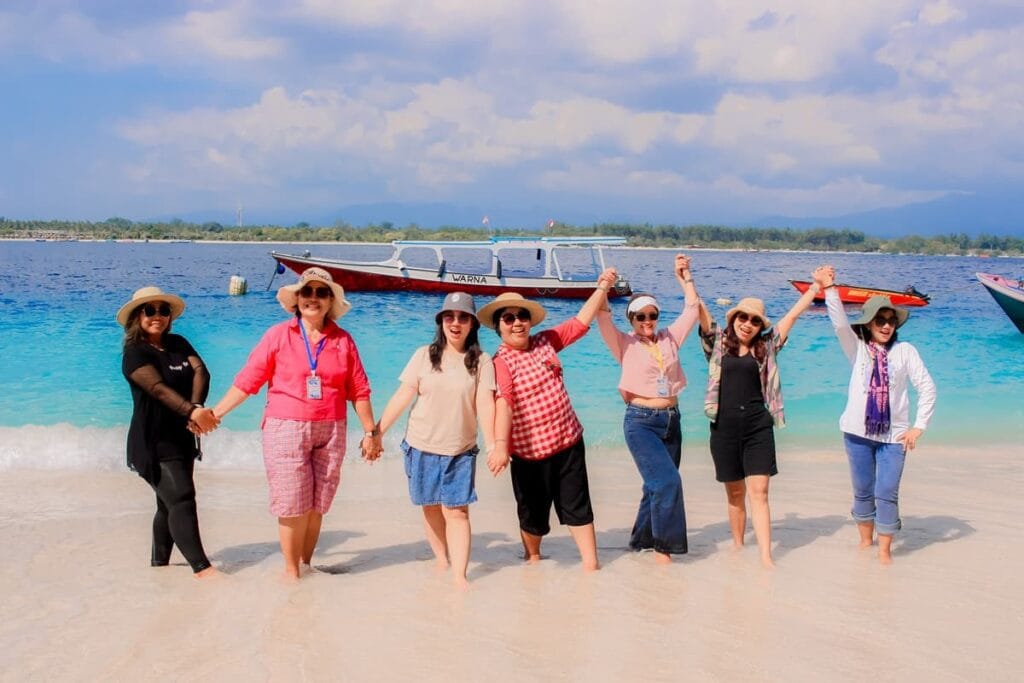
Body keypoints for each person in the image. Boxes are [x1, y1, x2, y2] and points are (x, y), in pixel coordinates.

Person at [208, 267, 381, 580]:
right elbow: (248, 380)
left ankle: (305, 565)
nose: (313, 298)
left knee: (318, 503)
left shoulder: (343, 340)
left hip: (332, 428)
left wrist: (371, 432)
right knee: (292, 502)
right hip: (285, 427)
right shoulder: (278, 335)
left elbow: (359, 389)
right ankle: (291, 574)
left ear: (330, 301)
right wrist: (217, 412)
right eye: (307, 292)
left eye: (321, 293)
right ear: (297, 299)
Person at [483, 268, 619, 571]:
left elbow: (580, 324)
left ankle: (591, 565)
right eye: (508, 318)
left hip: (568, 441)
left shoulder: (545, 341)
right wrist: (500, 446)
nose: (517, 323)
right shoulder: (500, 362)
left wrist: (602, 287)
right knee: (533, 514)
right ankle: (533, 559)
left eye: (522, 316)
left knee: (578, 506)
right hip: (530, 454)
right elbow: (503, 404)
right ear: (498, 327)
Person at [696, 266, 831, 567]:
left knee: (760, 492)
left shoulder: (766, 348)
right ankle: (738, 546)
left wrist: (814, 287)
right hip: (723, 427)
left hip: (758, 427)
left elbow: (792, 317)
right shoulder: (717, 344)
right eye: (742, 317)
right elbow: (701, 313)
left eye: (755, 320)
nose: (748, 324)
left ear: (760, 326)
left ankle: (766, 557)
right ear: (734, 320)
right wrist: (688, 280)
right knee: (734, 492)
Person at [375, 292, 495, 588]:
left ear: (472, 325)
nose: (455, 323)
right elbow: (404, 395)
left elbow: (485, 404)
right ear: (441, 321)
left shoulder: (481, 361)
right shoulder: (424, 355)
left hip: (460, 450)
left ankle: (460, 576)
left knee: (457, 512)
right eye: (449, 317)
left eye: (463, 317)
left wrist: (494, 444)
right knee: (430, 505)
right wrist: (377, 431)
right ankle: (442, 559)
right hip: (421, 445)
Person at [818, 267, 937, 565]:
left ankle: (884, 553)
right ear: (869, 323)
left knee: (885, 491)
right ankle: (864, 544)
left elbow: (928, 388)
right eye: (880, 320)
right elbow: (838, 323)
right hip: (857, 434)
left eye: (890, 321)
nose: (885, 326)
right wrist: (830, 288)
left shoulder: (906, 351)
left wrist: (918, 427)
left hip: (893, 437)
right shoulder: (857, 349)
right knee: (862, 490)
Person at [596, 254, 700, 564]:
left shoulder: (669, 338)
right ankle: (664, 551)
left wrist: (685, 277)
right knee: (667, 482)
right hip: (640, 422)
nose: (647, 322)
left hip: (671, 420)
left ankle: (640, 541)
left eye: (652, 315)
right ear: (631, 320)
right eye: (640, 317)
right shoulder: (623, 343)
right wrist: (604, 286)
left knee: (654, 485)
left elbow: (692, 309)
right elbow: (601, 316)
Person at [118, 286, 220, 578]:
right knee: (182, 497)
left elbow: (202, 371)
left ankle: (159, 567)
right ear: (137, 317)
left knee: (168, 504)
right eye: (150, 310)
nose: (158, 316)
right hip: (152, 441)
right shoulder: (134, 353)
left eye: (163, 310)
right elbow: (158, 390)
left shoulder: (178, 342)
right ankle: (202, 569)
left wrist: (197, 408)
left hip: (182, 436)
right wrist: (193, 412)